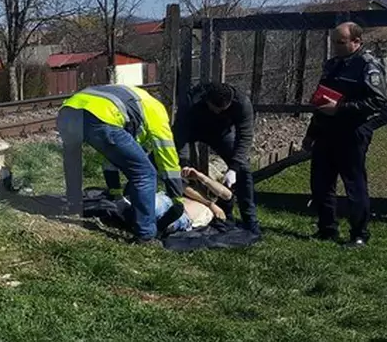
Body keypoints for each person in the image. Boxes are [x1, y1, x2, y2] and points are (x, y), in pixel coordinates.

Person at [58, 84, 185, 244]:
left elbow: (112, 158)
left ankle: (73, 204)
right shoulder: (157, 111)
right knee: (145, 174)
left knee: (73, 160)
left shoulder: (131, 102)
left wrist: (116, 193)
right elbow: (167, 155)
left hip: (68, 111)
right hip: (102, 117)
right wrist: (176, 195)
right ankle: (146, 236)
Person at [304, 21, 387, 248]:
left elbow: (378, 101)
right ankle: (327, 228)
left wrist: (340, 109)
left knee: (354, 185)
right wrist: (311, 133)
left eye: (340, 42)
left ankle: (359, 234)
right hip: (326, 131)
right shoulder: (332, 65)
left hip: (352, 131)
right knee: (321, 183)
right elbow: (321, 101)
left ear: (356, 42)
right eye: (333, 42)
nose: (335, 47)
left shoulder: (367, 65)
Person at [173, 81, 260, 234]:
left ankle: (250, 221)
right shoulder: (192, 99)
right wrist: (184, 161)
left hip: (220, 134)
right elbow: (181, 132)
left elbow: (245, 137)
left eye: (223, 110)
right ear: (207, 100)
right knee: (163, 159)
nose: (218, 112)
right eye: (215, 109)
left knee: (244, 171)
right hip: (193, 129)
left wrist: (234, 167)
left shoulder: (242, 104)